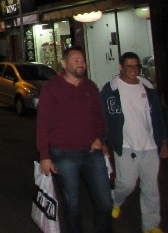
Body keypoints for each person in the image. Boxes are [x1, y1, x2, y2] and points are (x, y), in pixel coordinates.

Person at [36, 46, 113, 233]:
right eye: (76, 60)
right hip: (63, 154)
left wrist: (100, 139)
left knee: (105, 203)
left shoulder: (90, 87)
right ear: (64, 63)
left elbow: (99, 118)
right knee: (73, 206)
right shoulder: (52, 88)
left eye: (83, 60)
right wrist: (44, 156)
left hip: (91, 152)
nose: (81, 64)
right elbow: (42, 124)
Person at [100, 52, 168, 233]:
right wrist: (104, 141)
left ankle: (151, 225)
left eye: (136, 66)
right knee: (127, 183)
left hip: (150, 145)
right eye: (129, 66)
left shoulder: (147, 88)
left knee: (151, 188)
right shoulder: (111, 89)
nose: (133, 69)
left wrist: (163, 141)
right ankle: (116, 199)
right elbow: (102, 117)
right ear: (121, 67)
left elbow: (158, 116)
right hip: (125, 145)